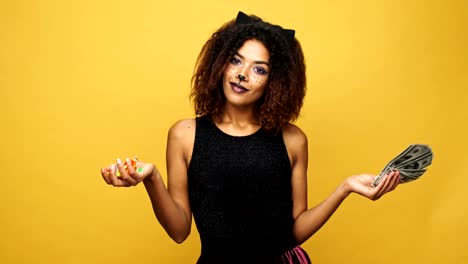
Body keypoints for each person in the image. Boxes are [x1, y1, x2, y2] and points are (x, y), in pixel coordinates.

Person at [100, 11, 400, 264]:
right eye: (235, 60)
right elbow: (179, 232)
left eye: (259, 69)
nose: (242, 74)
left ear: (276, 81)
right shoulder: (184, 135)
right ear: (219, 64)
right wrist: (151, 178)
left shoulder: (293, 140)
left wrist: (345, 188)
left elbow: (293, 232)